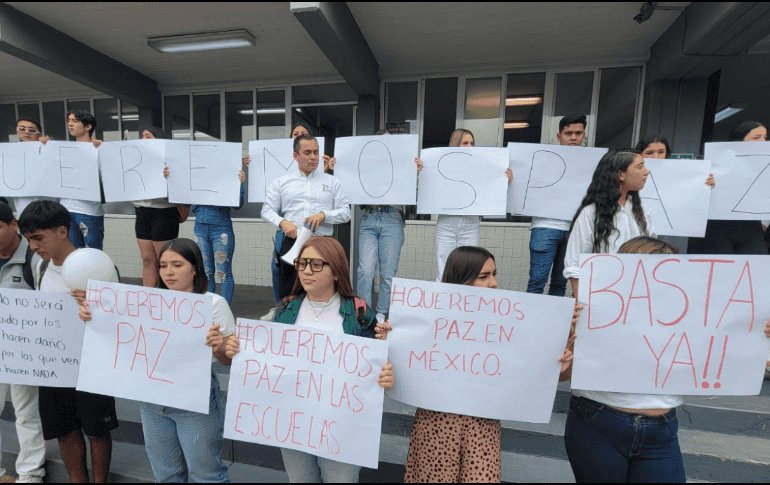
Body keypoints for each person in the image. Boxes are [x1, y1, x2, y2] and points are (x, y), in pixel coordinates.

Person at [563, 235, 770, 482]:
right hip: (597, 423)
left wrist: (758, 333)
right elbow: (565, 374)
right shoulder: (590, 312)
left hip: (661, 432)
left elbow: (727, 345)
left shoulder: (687, 315)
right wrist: (568, 338)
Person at [376, 246, 575, 483]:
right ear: (461, 280)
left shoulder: (509, 324)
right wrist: (392, 344)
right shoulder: (426, 322)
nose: (494, 283)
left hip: (482, 429)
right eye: (484, 276)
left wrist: (560, 361)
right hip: (436, 427)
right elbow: (396, 377)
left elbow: (558, 376)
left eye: (494, 274)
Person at [225, 236, 394, 483]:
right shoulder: (285, 309)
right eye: (302, 263)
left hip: (342, 427)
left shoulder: (359, 312)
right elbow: (258, 349)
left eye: (316, 264)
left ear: (336, 271)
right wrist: (237, 347)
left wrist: (386, 372)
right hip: (293, 424)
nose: (306, 271)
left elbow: (377, 365)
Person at [78, 238, 233, 482]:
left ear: (195, 267)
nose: (168, 272)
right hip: (151, 401)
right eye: (163, 265)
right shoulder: (145, 303)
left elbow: (226, 361)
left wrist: (220, 347)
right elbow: (118, 333)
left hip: (194, 403)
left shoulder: (214, 304)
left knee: (207, 476)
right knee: (166, 475)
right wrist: (92, 315)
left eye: (177, 265)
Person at [18, 200, 118, 483]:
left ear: (62, 231)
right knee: (64, 429)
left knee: (97, 429)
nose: (34, 246)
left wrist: (95, 307)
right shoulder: (38, 268)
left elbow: (118, 317)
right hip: (54, 364)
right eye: (28, 240)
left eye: (38, 237)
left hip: (91, 364)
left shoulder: (97, 265)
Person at [261, 134, 351, 300]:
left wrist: (324, 215)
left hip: (323, 244)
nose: (313, 157)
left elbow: (346, 213)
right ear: (295, 156)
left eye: (316, 152)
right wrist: (282, 222)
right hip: (292, 243)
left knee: (324, 292)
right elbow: (266, 210)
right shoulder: (282, 182)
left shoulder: (332, 182)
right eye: (307, 153)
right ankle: (288, 323)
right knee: (289, 293)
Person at [564, 150, 652, 297]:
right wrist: (581, 303)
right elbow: (575, 265)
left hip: (636, 294)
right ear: (621, 175)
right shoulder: (590, 213)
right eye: (639, 166)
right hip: (600, 294)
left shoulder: (643, 211)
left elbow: (651, 253)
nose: (646, 172)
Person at [0, 203, 46, 484]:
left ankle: (30, 473)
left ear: (13, 225)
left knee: (26, 412)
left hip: (22, 349)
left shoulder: (36, 259)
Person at [356, 128, 423, 318]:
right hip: (370, 216)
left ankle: (381, 313)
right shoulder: (367, 165)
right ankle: (364, 313)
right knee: (365, 270)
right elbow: (354, 185)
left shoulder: (403, 164)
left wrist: (416, 174)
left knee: (388, 273)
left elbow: (416, 195)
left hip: (393, 217)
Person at [434, 129, 512, 281]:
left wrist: (505, 181)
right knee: (443, 266)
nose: (469, 146)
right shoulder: (442, 165)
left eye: (472, 143)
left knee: (470, 265)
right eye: (465, 143)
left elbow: (491, 189)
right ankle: (442, 301)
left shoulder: (481, 167)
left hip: (471, 223)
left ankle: (464, 301)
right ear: (455, 145)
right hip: (447, 222)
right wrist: (421, 170)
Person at [526, 113, 586, 297]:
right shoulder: (542, 159)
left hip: (575, 229)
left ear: (584, 135)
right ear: (559, 136)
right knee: (537, 281)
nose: (574, 137)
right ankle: (530, 323)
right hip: (545, 226)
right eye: (568, 133)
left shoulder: (590, 163)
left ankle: (554, 324)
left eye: (578, 133)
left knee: (561, 283)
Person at [687, 121, 768, 255]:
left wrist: (765, 221)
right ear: (738, 141)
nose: (763, 142)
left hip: (750, 228)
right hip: (717, 226)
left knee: (752, 270)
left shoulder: (766, 166)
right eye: (756, 138)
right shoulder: (714, 162)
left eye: (765, 138)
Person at [132, 127, 181, 287]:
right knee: (147, 259)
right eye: (142, 136)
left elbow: (182, 187)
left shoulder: (172, 160)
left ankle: (165, 298)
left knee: (165, 260)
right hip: (141, 211)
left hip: (164, 212)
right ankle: (149, 298)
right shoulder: (136, 159)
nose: (144, 139)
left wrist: (170, 177)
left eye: (148, 136)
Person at [190, 171, 246, 304]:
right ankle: (206, 310)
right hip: (200, 227)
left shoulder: (226, 171)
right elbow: (185, 201)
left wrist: (239, 184)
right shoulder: (197, 171)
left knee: (223, 273)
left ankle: (223, 312)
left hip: (221, 228)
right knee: (205, 272)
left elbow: (238, 205)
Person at [57, 110, 106, 250]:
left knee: (93, 254)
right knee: (73, 254)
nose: (70, 124)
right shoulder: (63, 150)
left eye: (75, 120)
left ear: (88, 126)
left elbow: (109, 179)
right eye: (68, 121)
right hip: (67, 208)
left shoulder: (100, 150)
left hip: (89, 210)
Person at [9, 118, 58, 217]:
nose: (26, 132)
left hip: (49, 204)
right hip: (23, 205)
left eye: (32, 130)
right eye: (22, 129)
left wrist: (50, 147)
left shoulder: (48, 148)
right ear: (16, 131)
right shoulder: (9, 153)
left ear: (39, 134)